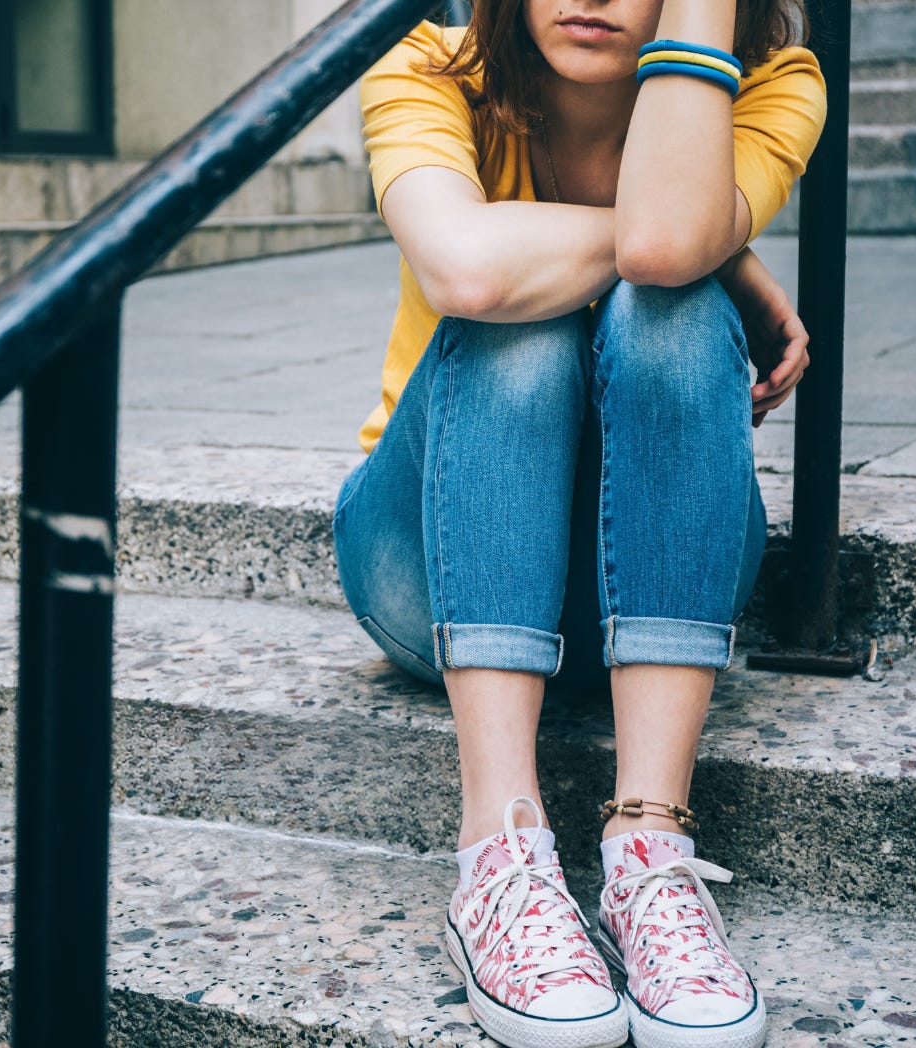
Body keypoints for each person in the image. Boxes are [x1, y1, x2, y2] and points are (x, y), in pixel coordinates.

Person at [331, 2, 826, 1047]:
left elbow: (653, 258)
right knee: (530, 315)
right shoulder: (429, 65)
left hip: (646, 576)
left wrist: (683, 255)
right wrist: (714, 250)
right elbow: (465, 266)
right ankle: (498, 854)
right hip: (429, 564)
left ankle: (649, 850)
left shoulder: (772, 82)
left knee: (670, 305)